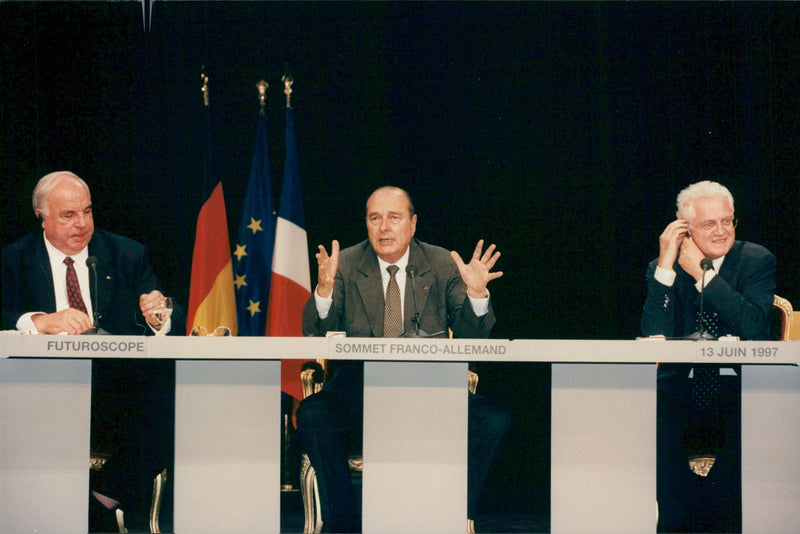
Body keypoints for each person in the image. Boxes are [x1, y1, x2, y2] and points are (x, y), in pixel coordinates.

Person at [298, 186, 511, 533]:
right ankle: (344, 524)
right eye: (375, 218)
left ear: (412, 224)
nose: (384, 228)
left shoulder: (441, 263)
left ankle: (452, 514)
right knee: (313, 413)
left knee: (493, 420)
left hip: (428, 391)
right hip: (359, 391)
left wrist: (476, 295)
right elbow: (316, 331)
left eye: (394, 218)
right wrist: (323, 293)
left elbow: (473, 337)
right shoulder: (347, 264)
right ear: (366, 224)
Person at [1, 170, 185, 533]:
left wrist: (159, 314)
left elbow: (170, 315)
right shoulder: (14, 259)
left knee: (172, 407)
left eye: (87, 211)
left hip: (115, 388)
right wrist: (39, 320)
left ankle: (96, 504)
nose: (82, 223)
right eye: (69, 215)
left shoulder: (126, 254)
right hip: (41, 389)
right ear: (42, 216)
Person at [641, 180, 775, 533]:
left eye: (726, 221)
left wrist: (703, 277)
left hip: (740, 393)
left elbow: (755, 325)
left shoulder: (756, 260)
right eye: (708, 224)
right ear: (685, 229)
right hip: (677, 394)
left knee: (729, 502)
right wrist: (667, 266)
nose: (720, 232)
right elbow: (652, 336)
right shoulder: (663, 266)